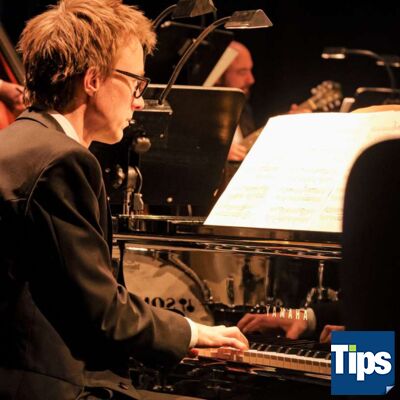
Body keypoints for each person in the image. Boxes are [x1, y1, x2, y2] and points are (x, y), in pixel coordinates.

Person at [0, 1, 248, 399]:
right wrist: (192, 332)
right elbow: (103, 314)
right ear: (93, 80)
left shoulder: (15, 142)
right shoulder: (63, 162)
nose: (139, 101)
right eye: (136, 83)